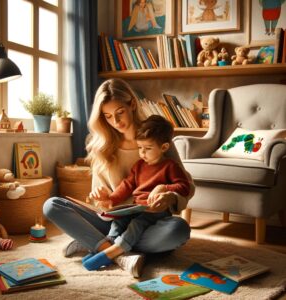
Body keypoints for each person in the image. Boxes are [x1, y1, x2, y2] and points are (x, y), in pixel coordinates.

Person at [43, 78, 194, 278]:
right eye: (107, 116)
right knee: (52, 205)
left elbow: (187, 186)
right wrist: (102, 196)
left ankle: (96, 243)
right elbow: (103, 203)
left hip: (149, 220)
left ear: (132, 103)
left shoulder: (155, 138)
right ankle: (120, 255)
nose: (116, 122)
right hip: (114, 220)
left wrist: (170, 196)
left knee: (179, 229)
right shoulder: (99, 145)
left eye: (119, 112)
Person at [83, 115, 191, 271]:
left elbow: (184, 187)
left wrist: (165, 188)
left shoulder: (170, 166)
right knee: (118, 221)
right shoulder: (139, 166)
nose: (142, 153)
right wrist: (111, 200)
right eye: (140, 148)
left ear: (164, 147)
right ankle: (107, 244)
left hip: (156, 211)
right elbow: (127, 185)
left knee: (136, 224)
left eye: (147, 148)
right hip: (136, 208)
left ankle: (114, 251)